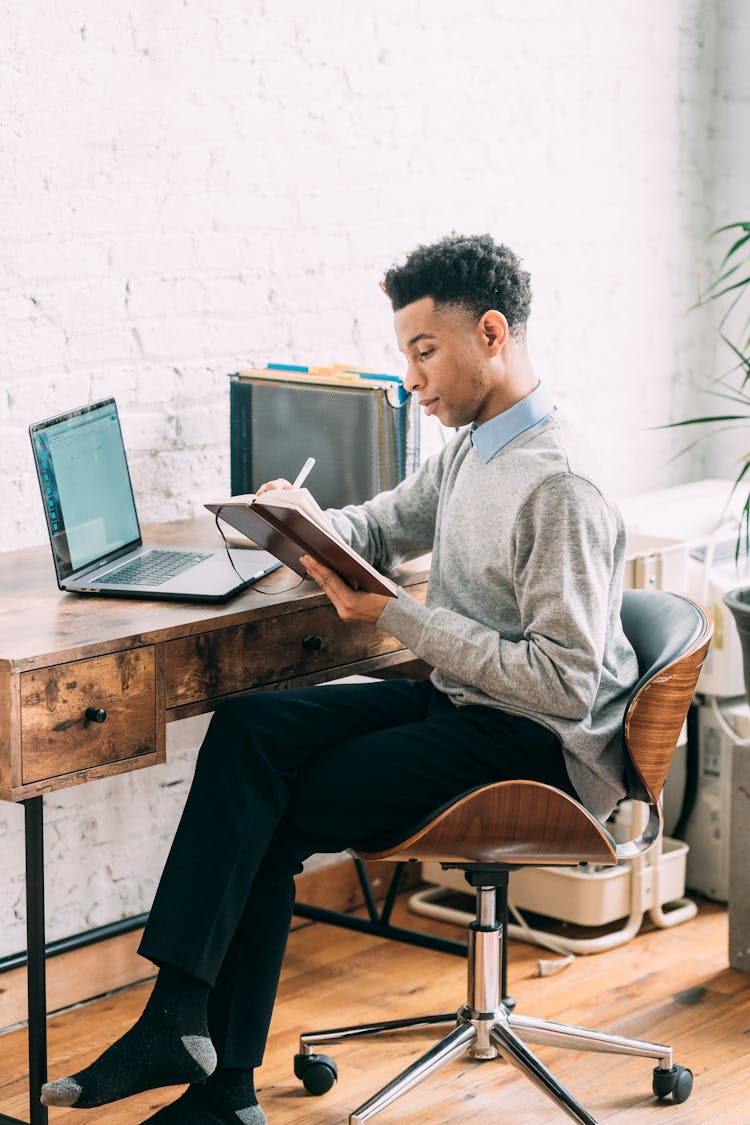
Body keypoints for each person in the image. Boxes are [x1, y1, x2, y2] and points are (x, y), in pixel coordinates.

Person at [41, 233, 639, 1124]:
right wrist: (299, 521)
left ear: (490, 334)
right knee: (249, 729)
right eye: (405, 354)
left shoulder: (558, 484)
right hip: (467, 701)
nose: (411, 378)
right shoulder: (475, 444)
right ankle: (177, 1017)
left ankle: (225, 1081)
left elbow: (563, 683)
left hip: (535, 745)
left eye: (424, 352)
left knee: (272, 811)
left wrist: (392, 611)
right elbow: (388, 521)